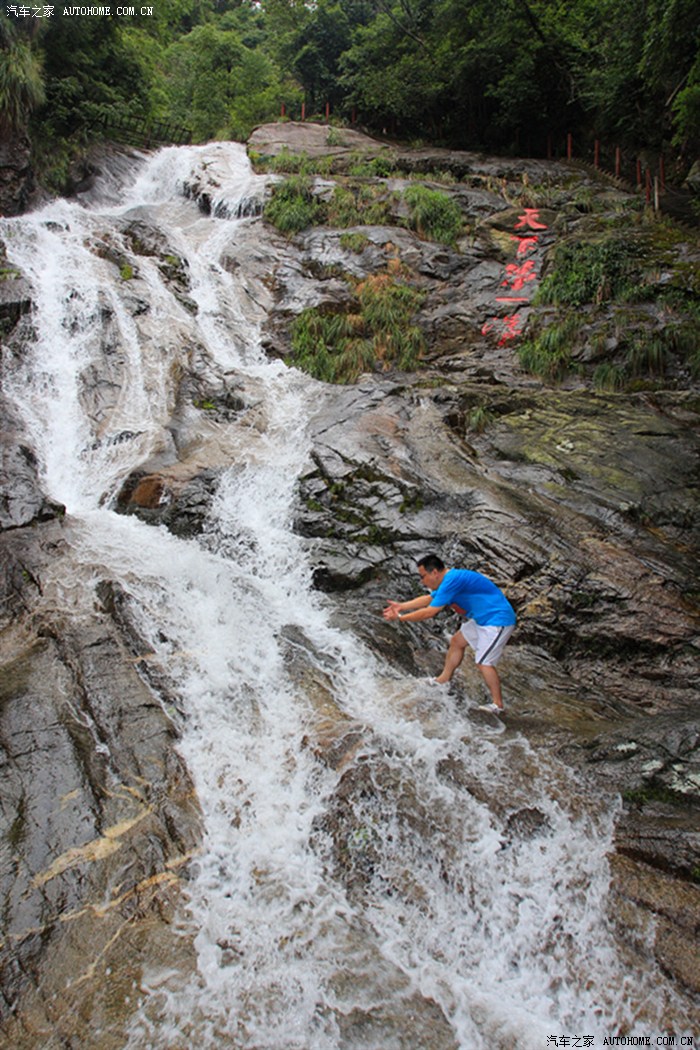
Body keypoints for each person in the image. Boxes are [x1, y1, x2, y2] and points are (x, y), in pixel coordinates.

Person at [382, 554, 516, 712]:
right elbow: (428, 599)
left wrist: (400, 618)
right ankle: (443, 679)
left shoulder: (453, 579)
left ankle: (497, 705)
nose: (422, 581)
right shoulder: (449, 581)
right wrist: (401, 606)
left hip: (497, 620)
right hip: (482, 619)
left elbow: (430, 612)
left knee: (484, 662)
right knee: (457, 641)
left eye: (423, 576)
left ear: (434, 573)